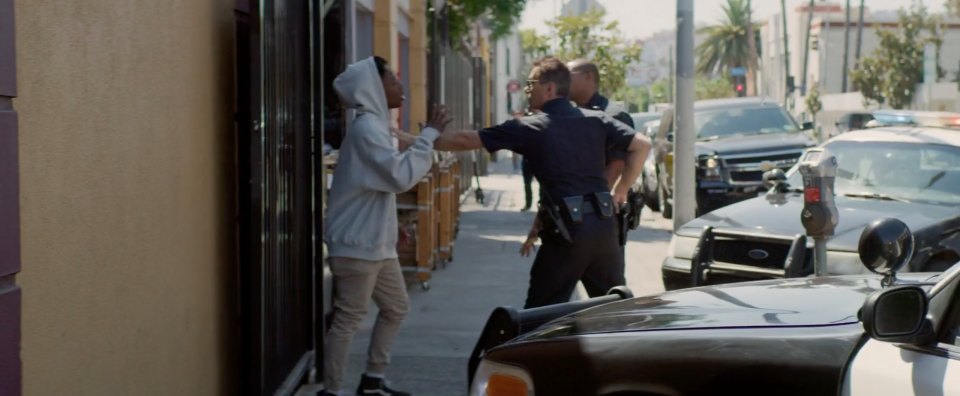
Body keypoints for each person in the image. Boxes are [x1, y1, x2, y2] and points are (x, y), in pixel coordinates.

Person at [435, 56, 651, 308]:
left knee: (539, 314)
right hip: (604, 230)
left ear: (548, 89)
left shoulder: (531, 126)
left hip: (568, 232)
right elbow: (642, 145)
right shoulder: (595, 119)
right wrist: (621, 190)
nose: (527, 91)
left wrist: (419, 139)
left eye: (531, 85)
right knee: (614, 309)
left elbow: (464, 140)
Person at [323, 55, 451, 396]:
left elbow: (377, 185)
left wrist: (391, 224)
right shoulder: (367, 130)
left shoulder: (376, 127)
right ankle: (331, 390)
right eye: (393, 79)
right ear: (374, 88)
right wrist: (428, 136)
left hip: (375, 243)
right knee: (349, 318)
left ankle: (372, 382)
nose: (400, 85)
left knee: (396, 307)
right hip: (357, 246)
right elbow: (398, 176)